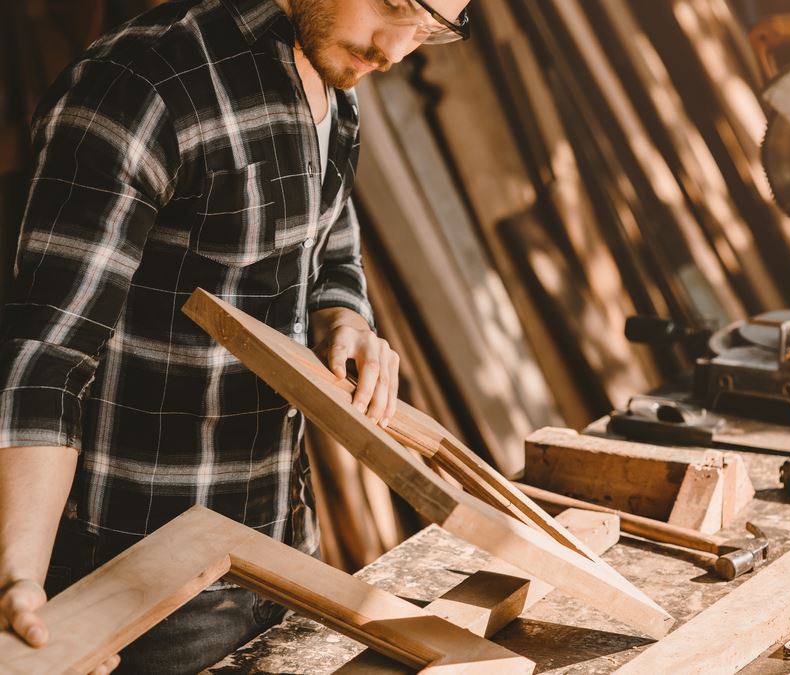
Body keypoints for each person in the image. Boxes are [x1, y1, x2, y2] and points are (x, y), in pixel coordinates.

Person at [0, 0, 471, 672]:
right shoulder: (143, 86)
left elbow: (331, 240)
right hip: (139, 581)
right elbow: (46, 356)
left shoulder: (334, 76)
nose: (395, 52)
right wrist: (20, 579)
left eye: (429, 31)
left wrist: (345, 316)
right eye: (394, 4)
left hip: (281, 550)